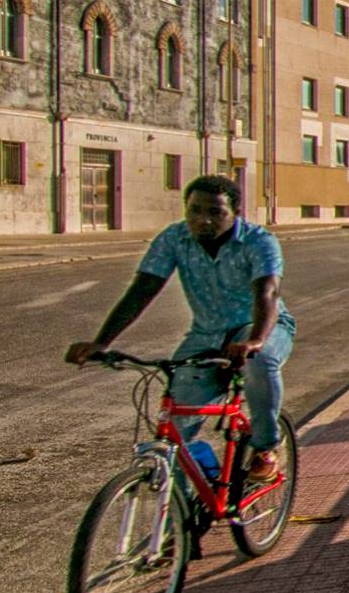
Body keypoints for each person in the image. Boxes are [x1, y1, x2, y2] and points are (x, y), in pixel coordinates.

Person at [65, 175, 295, 490]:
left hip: (260, 326)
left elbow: (266, 293)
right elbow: (143, 289)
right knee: (175, 428)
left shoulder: (258, 241)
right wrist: (101, 342)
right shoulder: (174, 239)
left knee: (260, 362)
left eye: (216, 212)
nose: (203, 220)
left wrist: (255, 340)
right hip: (206, 335)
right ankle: (181, 525)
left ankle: (267, 447)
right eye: (195, 211)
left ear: (236, 212)